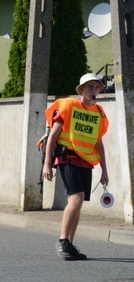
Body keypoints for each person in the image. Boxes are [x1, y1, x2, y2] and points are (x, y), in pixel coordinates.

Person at [42, 73, 109, 261]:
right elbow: (53, 137)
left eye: (96, 87)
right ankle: (63, 240)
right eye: (89, 87)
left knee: (78, 203)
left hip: (85, 161)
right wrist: (47, 164)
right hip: (66, 157)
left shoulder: (98, 112)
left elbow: (98, 142)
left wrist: (104, 170)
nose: (93, 90)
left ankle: (69, 245)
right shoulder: (69, 106)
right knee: (77, 197)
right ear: (81, 90)